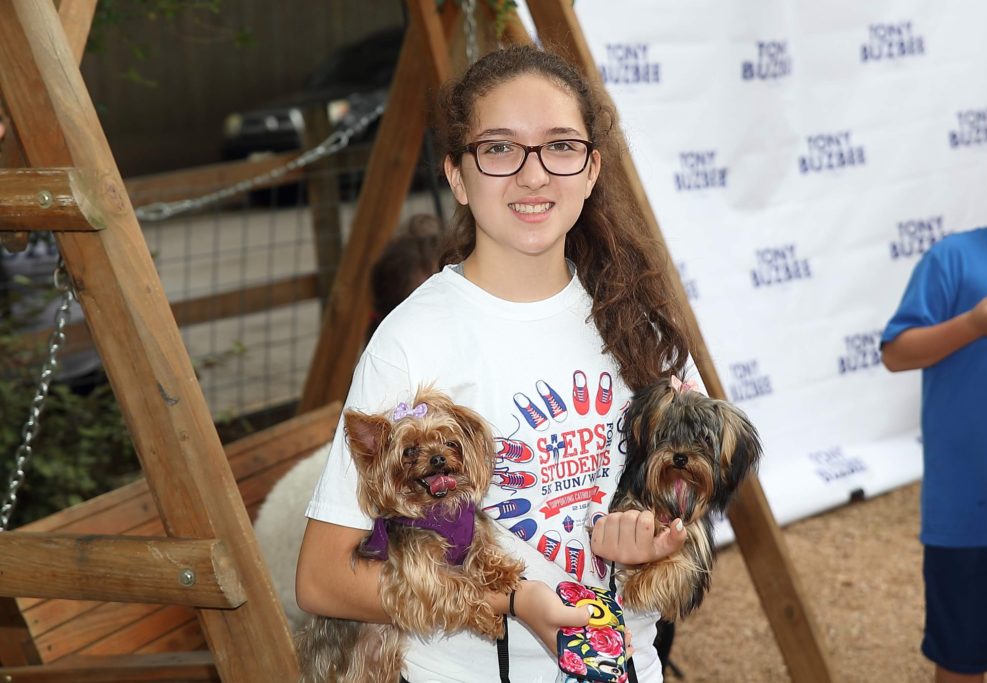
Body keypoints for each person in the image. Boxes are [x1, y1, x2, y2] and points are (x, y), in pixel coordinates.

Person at [296, 45, 697, 682]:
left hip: (626, 667)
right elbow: (321, 578)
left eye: (561, 146)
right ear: (457, 173)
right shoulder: (413, 340)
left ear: (592, 170)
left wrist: (652, 536)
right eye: (500, 148)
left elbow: (681, 501)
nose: (533, 175)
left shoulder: (636, 324)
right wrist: (508, 602)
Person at [881, 119, 987, 683]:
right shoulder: (954, 259)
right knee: (962, 663)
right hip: (970, 513)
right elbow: (896, 351)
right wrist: (973, 324)